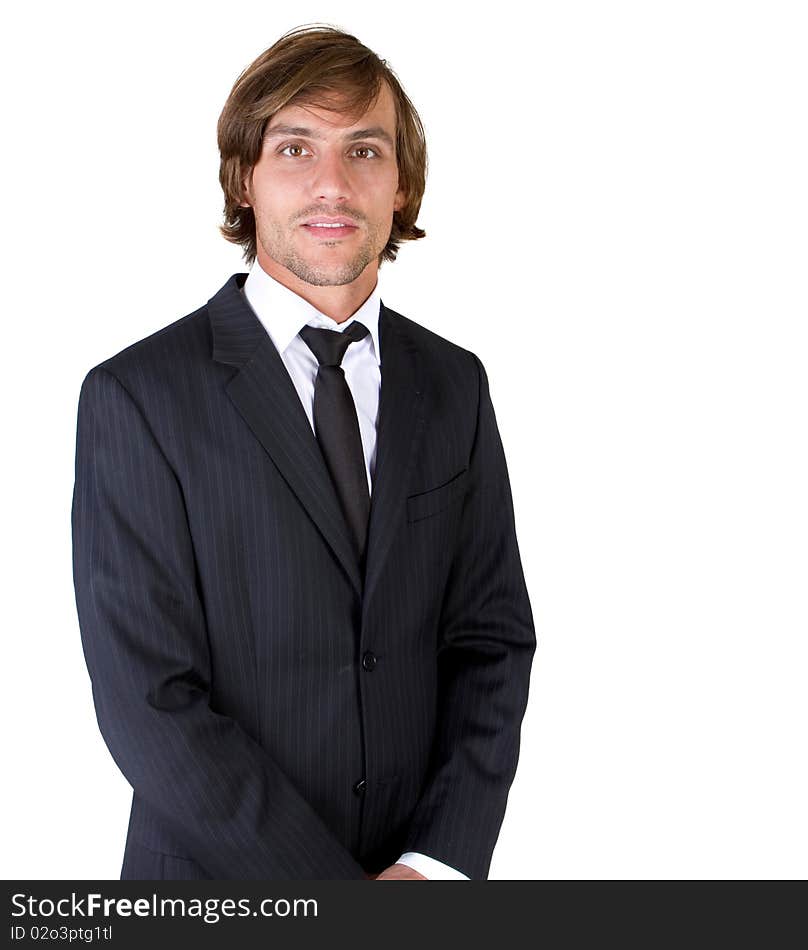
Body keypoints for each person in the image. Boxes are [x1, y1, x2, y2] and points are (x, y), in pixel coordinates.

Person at [71, 24, 536, 881]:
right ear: (246, 179)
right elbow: (151, 700)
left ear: (402, 188)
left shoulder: (454, 386)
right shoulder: (138, 398)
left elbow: (491, 642)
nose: (332, 183)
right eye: (295, 147)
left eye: (365, 150)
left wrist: (434, 864)